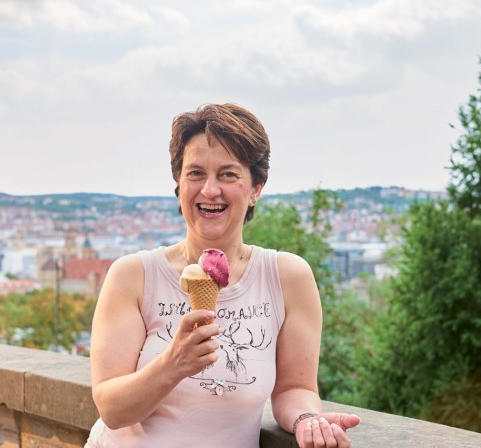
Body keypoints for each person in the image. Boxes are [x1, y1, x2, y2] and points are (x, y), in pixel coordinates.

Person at [87, 103, 360, 447]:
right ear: (178, 183)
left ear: (256, 188)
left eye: (228, 174)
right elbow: (111, 409)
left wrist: (308, 419)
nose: (210, 190)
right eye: (196, 173)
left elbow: (295, 388)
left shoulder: (287, 277)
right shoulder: (133, 276)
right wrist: (173, 364)